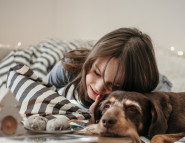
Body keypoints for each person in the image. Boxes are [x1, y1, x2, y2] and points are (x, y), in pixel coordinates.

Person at [43, 27, 171, 113]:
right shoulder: (71, 66)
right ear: (90, 63)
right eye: (96, 73)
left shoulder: (150, 92)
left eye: (114, 85)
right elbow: (39, 90)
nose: (98, 87)